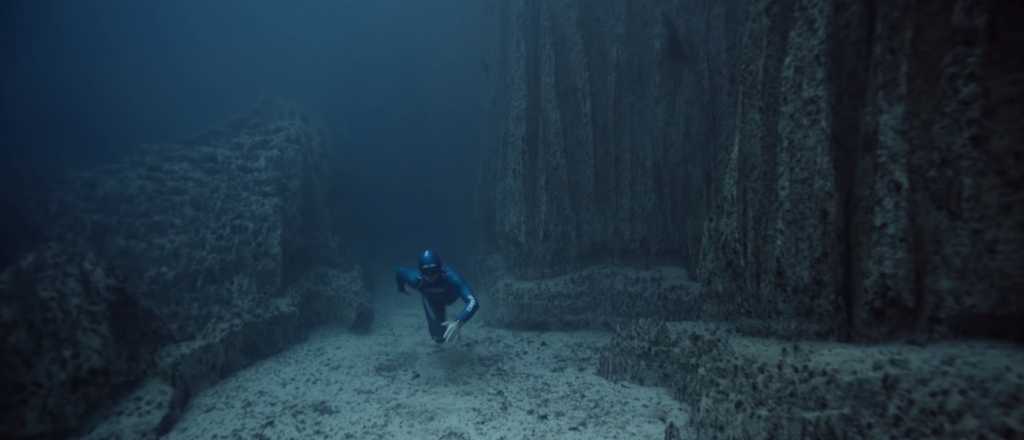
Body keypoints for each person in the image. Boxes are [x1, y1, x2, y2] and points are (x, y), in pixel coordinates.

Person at [395, 249, 479, 344]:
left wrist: (459, 321)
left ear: (440, 269)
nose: (430, 276)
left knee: (444, 333)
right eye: (426, 271)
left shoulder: (451, 277)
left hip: (450, 297)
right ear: (420, 271)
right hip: (433, 301)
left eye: (434, 271)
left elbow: (473, 302)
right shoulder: (415, 279)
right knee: (438, 338)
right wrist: (401, 288)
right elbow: (399, 272)